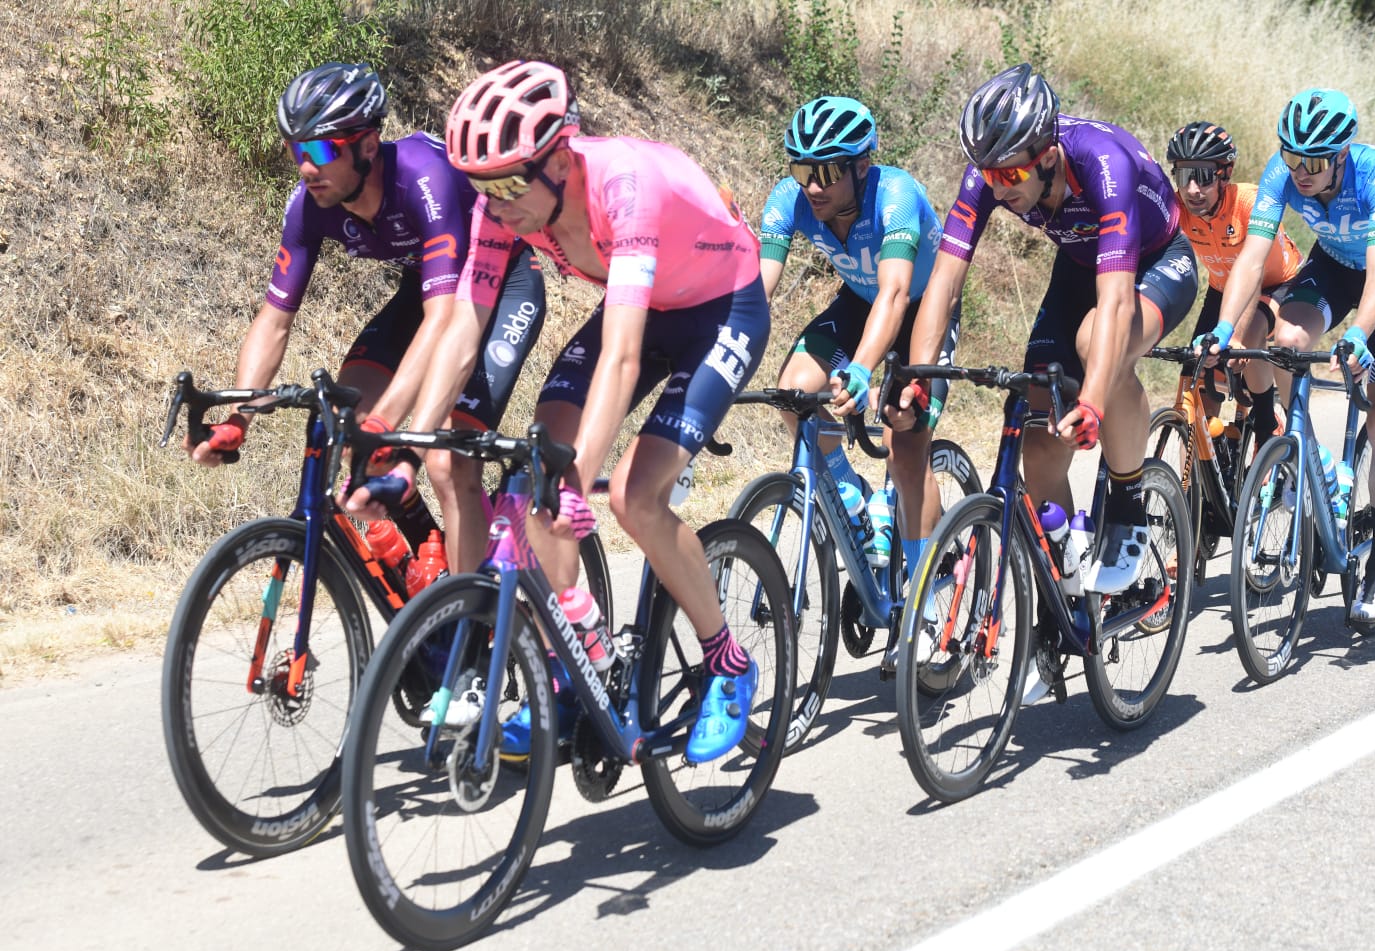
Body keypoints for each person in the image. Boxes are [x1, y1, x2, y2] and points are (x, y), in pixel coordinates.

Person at [397, 60, 769, 763]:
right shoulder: (500, 205)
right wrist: (408, 440)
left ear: (561, 158)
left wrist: (578, 485)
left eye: (507, 185)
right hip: (651, 302)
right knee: (538, 461)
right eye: (480, 187)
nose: (493, 204)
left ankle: (727, 663)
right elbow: (462, 330)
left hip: (722, 309)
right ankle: (578, 668)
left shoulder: (625, 188)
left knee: (633, 493)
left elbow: (622, 359)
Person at [187, 62, 546, 580]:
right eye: (295, 150)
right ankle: (429, 543)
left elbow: (444, 320)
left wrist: (390, 425)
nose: (305, 167)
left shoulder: (425, 178)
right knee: (345, 420)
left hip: (503, 286)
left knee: (448, 462)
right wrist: (238, 418)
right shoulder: (310, 206)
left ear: (368, 146)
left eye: (319, 150)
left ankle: (470, 631)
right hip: (427, 291)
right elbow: (274, 320)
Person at [903, 62, 1198, 596]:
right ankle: (1067, 582)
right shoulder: (991, 173)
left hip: (1156, 262)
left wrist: (1092, 402)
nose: (998, 187)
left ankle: (1129, 503)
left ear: (1049, 158)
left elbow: (1113, 303)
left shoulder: (1104, 164)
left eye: (1011, 176)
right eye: (989, 175)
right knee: (1038, 436)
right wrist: (920, 376)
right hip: (1079, 265)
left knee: (1099, 347)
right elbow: (944, 284)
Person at [1208, 88, 1375, 624]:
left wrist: (1358, 334)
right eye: (1290, 155)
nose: (1299, 170)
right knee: (1284, 342)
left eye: (1312, 160)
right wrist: (1223, 327)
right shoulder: (1283, 175)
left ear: (1341, 155)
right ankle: (1312, 460)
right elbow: (1252, 260)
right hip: (1330, 265)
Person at [758, 95, 961, 589]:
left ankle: (926, 594)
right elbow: (757, 289)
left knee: (904, 442)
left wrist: (864, 368)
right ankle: (850, 490)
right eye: (802, 168)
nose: (811, 185)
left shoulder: (895, 194)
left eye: (826, 173)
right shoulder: (789, 199)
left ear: (861, 166)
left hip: (921, 308)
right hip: (859, 302)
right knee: (796, 391)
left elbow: (895, 295)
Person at [1168, 120, 1301, 447]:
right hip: (1222, 289)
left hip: (1277, 284)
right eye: (1184, 176)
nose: (1192, 190)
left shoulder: (1248, 203)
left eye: (1202, 177)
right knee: (1196, 376)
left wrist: (1237, 338)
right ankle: (1209, 468)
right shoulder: (1179, 208)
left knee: (1251, 334)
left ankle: (1268, 422)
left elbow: (1252, 272)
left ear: (1224, 175)